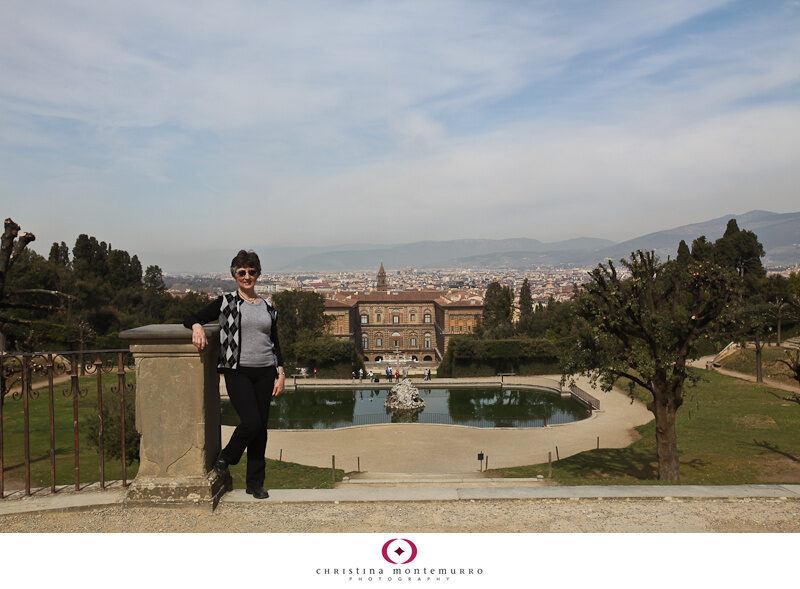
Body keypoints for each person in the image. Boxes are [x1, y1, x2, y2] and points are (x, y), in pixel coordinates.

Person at [184, 250, 284, 500]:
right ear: (235, 275)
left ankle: (255, 483)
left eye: (252, 271)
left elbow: (275, 342)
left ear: (258, 274)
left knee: (261, 430)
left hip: (265, 371)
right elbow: (192, 318)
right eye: (242, 272)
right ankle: (226, 458)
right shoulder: (226, 301)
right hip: (236, 370)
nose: (247, 276)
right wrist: (197, 327)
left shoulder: (268, 307)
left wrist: (280, 372)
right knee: (251, 421)